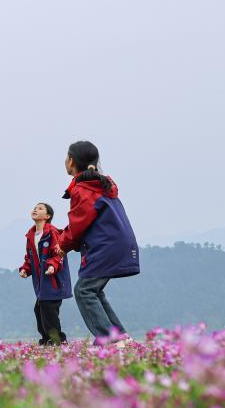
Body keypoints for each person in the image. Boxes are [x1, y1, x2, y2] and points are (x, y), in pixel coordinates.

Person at [55, 141, 140, 343]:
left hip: (106, 245)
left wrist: (62, 245)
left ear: (72, 161)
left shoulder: (83, 189)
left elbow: (78, 224)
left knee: (83, 291)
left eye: (66, 157)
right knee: (93, 290)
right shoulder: (100, 186)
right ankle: (120, 337)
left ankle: (109, 339)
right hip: (118, 243)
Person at [19, 202, 71, 345]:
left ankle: (58, 340)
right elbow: (30, 257)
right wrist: (25, 269)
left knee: (49, 308)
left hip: (53, 279)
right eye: (35, 207)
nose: (35, 209)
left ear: (47, 216)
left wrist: (52, 266)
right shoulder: (30, 235)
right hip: (41, 281)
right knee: (39, 309)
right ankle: (47, 339)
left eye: (40, 208)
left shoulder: (52, 233)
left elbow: (58, 254)